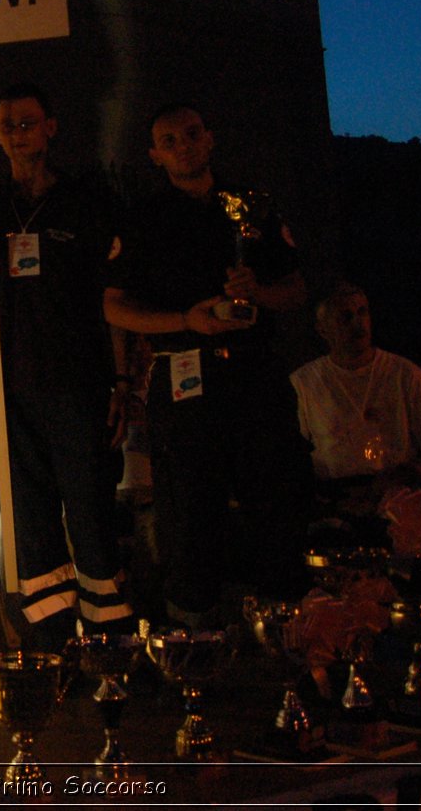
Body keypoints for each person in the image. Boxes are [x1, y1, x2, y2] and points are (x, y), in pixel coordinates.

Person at [104, 103, 310, 628]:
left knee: (275, 513)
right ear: (155, 155)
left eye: (192, 134)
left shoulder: (252, 207)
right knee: (190, 520)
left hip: (256, 378)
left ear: (210, 138)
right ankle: (196, 652)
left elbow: (297, 291)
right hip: (185, 383)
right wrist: (185, 320)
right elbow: (113, 306)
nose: (184, 146)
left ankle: (293, 643)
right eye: (169, 141)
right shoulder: (145, 219)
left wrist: (257, 293)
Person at [0, 84, 133, 647]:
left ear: (51, 128)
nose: (17, 133)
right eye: (8, 124)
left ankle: (110, 641)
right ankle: (51, 646)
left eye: (28, 123)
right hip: (11, 396)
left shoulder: (85, 202)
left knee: (90, 513)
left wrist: (123, 381)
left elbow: (114, 300)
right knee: (31, 527)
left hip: (79, 386)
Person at [291, 282, 421, 532]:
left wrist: (406, 474)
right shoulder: (304, 384)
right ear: (323, 330)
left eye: (362, 312)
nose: (358, 323)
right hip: (335, 505)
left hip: (398, 504)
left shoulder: (406, 376)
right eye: (345, 317)